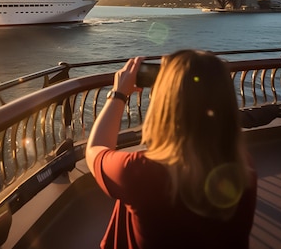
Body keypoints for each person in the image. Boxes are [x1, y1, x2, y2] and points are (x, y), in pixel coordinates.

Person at [86, 50, 257, 249]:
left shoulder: (140, 172)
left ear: (165, 103)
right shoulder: (243, 169)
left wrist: (118, 94)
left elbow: (95, 150)